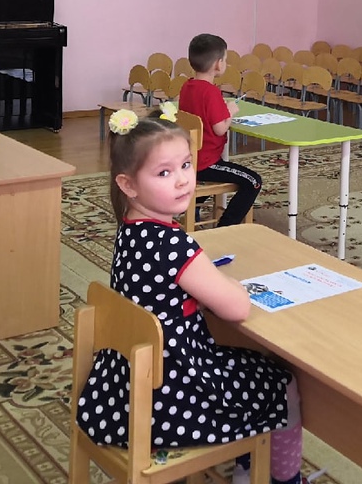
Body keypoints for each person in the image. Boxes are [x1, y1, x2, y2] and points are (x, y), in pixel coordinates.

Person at [77, 108, 303, 484]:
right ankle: (280, 478)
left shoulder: (130, 232)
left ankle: (247, 463)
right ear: (128, 185)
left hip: (122, 388)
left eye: (185, 165)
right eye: (164, 173)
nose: (183, 179)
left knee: (244, 361)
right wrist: (228, 284)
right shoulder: (173, 244)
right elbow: (237, 307)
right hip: (172, 396)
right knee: (280, 381)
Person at [178, 33, 261, 226]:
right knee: (253, 181)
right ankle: (226, 226)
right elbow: (220, 129)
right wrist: (229, 111)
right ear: (218, 64)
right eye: (225, 60)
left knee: (226, 173)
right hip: (206, 163)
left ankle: (193, 208)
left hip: (191, 157)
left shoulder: (187, 86)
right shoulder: (211, 92)